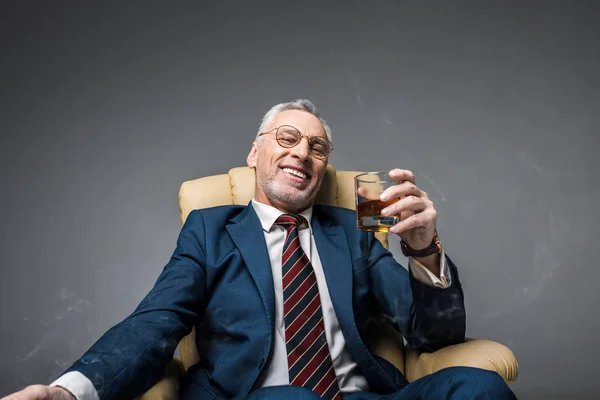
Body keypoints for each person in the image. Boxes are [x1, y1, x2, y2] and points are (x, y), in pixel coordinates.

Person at [3, 99, 516, 400]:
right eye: (288, 138)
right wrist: (67, 391)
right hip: (256, 398)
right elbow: (153, 324)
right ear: (255, 152)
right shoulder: (210, 229)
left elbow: (435, 333)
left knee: (479, 389)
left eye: (317, 148)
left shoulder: (355, 233)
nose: (302, 154)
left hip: (360, 396)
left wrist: (424, 251)